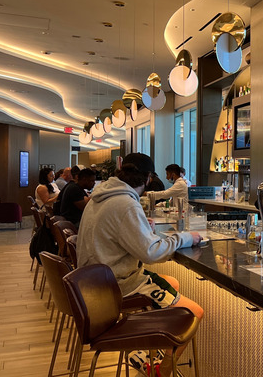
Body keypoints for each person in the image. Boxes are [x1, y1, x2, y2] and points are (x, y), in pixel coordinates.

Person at [77, 153, 202, 377]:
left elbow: (116, 237)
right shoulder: (125, 203)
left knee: (172, 282)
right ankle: (158, 371)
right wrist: (186, 237)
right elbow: (151, 253)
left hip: (94, 282)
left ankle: (146, 352)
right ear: (147, 178)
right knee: (194, 312)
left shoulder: (101, 196)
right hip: (117, 285)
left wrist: (143, 229)